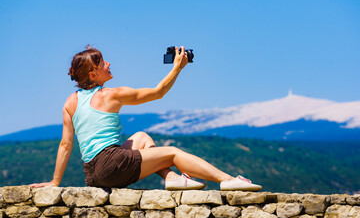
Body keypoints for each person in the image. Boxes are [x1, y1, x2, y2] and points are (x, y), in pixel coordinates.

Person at [30, 45, 262, 191]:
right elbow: (158, 92)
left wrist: (55, 182)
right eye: (103, 63)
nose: (109, 64)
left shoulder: (70, 102)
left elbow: (66, 145)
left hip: (92, 174)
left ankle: (171, 178)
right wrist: (177, 68)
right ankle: (228, 180)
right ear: (93, 73)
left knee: (141, 137)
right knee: (172, 152)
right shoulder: (111, 94)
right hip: (111, 163)